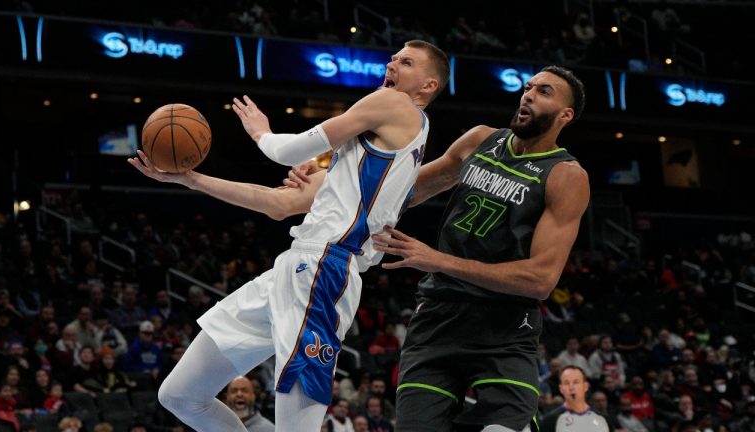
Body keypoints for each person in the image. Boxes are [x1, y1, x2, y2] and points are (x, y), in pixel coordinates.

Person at [129, 39, 449, 431]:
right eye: (394, 57)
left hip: (324, 271)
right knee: (180, 395)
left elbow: (289, 149)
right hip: (294, 268)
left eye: (406, 61)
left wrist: (261, 132)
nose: (392, 63)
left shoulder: (397, 104)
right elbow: (277, 204)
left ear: (428, 86)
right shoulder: (368, 159)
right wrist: (190, 179)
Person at [372, 65, 589, 431]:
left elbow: (540, 280)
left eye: (544, 92)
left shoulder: (566, 175)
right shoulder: (481, 139)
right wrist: (323, 186)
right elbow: (404, 191)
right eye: (528, 87)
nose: (529, 95)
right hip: (438, 316)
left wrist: (439, 260)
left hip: (503, 325)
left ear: (565, 115)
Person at [541, 366, 611, 432]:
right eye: (567, 383)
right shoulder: (550, 421)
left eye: (576, 382)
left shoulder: (604, 419)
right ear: (561, 388)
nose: (571, 387)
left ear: (585, 386)